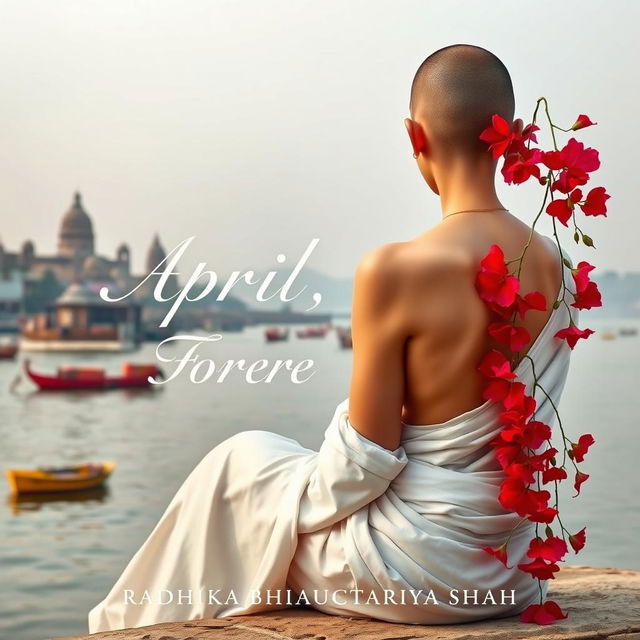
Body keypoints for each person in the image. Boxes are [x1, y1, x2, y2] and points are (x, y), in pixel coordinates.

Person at [88, 43, 577, 632]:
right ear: (512, 135)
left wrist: (278, 514)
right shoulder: (557, 268)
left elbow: (363, 463)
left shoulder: (393, 270)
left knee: (238, 466)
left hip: (413, 572)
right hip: (509, 571)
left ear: (414, 137)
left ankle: (120, 626)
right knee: (257, 474)